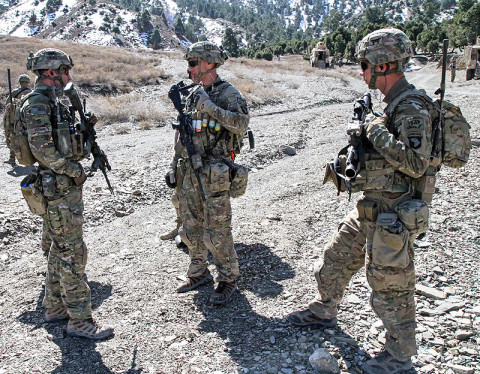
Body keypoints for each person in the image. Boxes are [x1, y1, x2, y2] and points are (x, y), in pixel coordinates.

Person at [287, 28, 435, 373]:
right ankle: (324, 310)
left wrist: (373, 130)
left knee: (391, 288)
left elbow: (416, 164)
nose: (361, 71)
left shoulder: (411, 107)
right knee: (335, 259)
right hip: (371, 206)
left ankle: (399, 357)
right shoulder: (389, 105)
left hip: (394, 215)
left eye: (364, 64)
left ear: (382, 66)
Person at [20, 48, 113, 339]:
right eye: (64, 71)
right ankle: (79, 320)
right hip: (58, 189)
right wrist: (73, 170)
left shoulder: (50, 101)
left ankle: (54, 307)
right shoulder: (37, 104)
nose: (68, 77)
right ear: (50, 72)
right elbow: (41, 149)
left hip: (60, 188)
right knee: (73, 253)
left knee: (59, 251)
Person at [173, 41, 249, 305]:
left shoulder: (228, 93)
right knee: (191, 224)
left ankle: (228, 277)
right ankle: (198, 271)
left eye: (193, 63)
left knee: (218, 228)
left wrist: (210, 108)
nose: (190, 69)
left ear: (208, 63)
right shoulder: (193, 93)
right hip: (190, 170)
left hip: (215, 172)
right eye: (189, 64)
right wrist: (175, 166)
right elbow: (182, 132)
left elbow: (241, 125)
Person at [3, 74, 32, 166]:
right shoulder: (31, 92)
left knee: (13, 136)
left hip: (14, 119)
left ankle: (12, 158)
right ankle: (31, 159)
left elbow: (7, 104)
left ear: (20, 82)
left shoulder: (15, 92)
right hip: (26, 119)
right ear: (28, 82)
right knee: (28, 137)